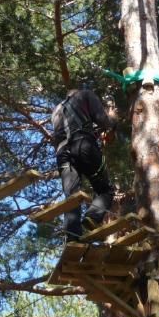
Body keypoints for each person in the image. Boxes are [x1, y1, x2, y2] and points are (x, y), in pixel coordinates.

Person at [51, 87, 116, 241]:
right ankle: (93, 217)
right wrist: (112, 119)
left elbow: (66, 130)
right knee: (105, 190)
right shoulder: (86, 93)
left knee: (72, 197)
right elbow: (102, 119)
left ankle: (72, 238)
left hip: (62, 154)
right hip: (83, 144)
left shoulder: (55, 111)